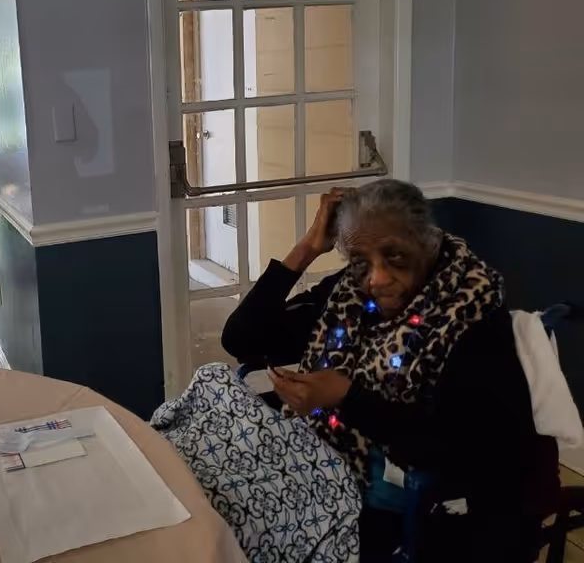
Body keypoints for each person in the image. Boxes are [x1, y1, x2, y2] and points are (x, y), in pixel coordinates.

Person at [219, 180, 559, 561]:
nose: (376, 279)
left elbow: (451, 449)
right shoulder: (349, 294)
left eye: (395, 256)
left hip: (417, 507)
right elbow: (242, 339)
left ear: (427, 243)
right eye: (361, 261)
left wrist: (345, 396)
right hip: (324, 467)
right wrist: (308, 248)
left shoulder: (472, 319)